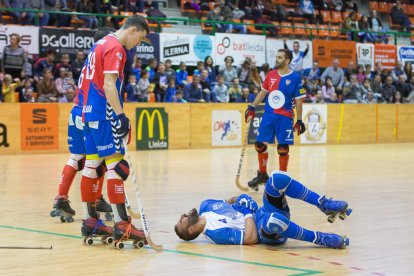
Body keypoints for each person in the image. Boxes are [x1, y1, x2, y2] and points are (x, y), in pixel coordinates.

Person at [79, 15, 149, 243]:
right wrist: (120, 116)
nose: (138, 43)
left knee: (92, 166)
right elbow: (109, 84)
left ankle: (89, 222)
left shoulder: (99, 44)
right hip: (103, 113)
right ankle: (122, 225)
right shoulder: (116, 47)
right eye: (141, 38)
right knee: (117, 166)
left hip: (88, 113)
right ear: (133, 30)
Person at [175, 170, 350, 249]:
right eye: (182, 219)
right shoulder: (215, 234)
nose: (183, 214)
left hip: (263, 210)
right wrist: (247, 212)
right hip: (265, 231)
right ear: (191, 230)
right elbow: (251, 239)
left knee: (277, 178)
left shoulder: (205, 205)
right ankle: (320, 238)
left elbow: (231, 200)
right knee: (273, 220)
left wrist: (240, 198)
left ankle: (323, 204)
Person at [50, 28, 119, 224]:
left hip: (77, 111)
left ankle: (61, 197)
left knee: (78, 158)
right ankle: (95, 200)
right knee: (99, 158)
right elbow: (107, 86)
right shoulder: (104, 56)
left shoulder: (90, 58)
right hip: (91, 112)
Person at [244, 49, 306, 189]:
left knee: (283, 148)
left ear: (287, 61)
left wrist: (300, 120)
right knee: (259, 144)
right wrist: (252, 107)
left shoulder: (295, 78)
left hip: (285, 117)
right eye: (276, 56)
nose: (276, 59)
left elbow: (298, 101)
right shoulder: (271, 74)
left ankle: (282, 179)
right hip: (269, 115)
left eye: (280, 57)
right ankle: (262, 175)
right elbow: (263, 92)